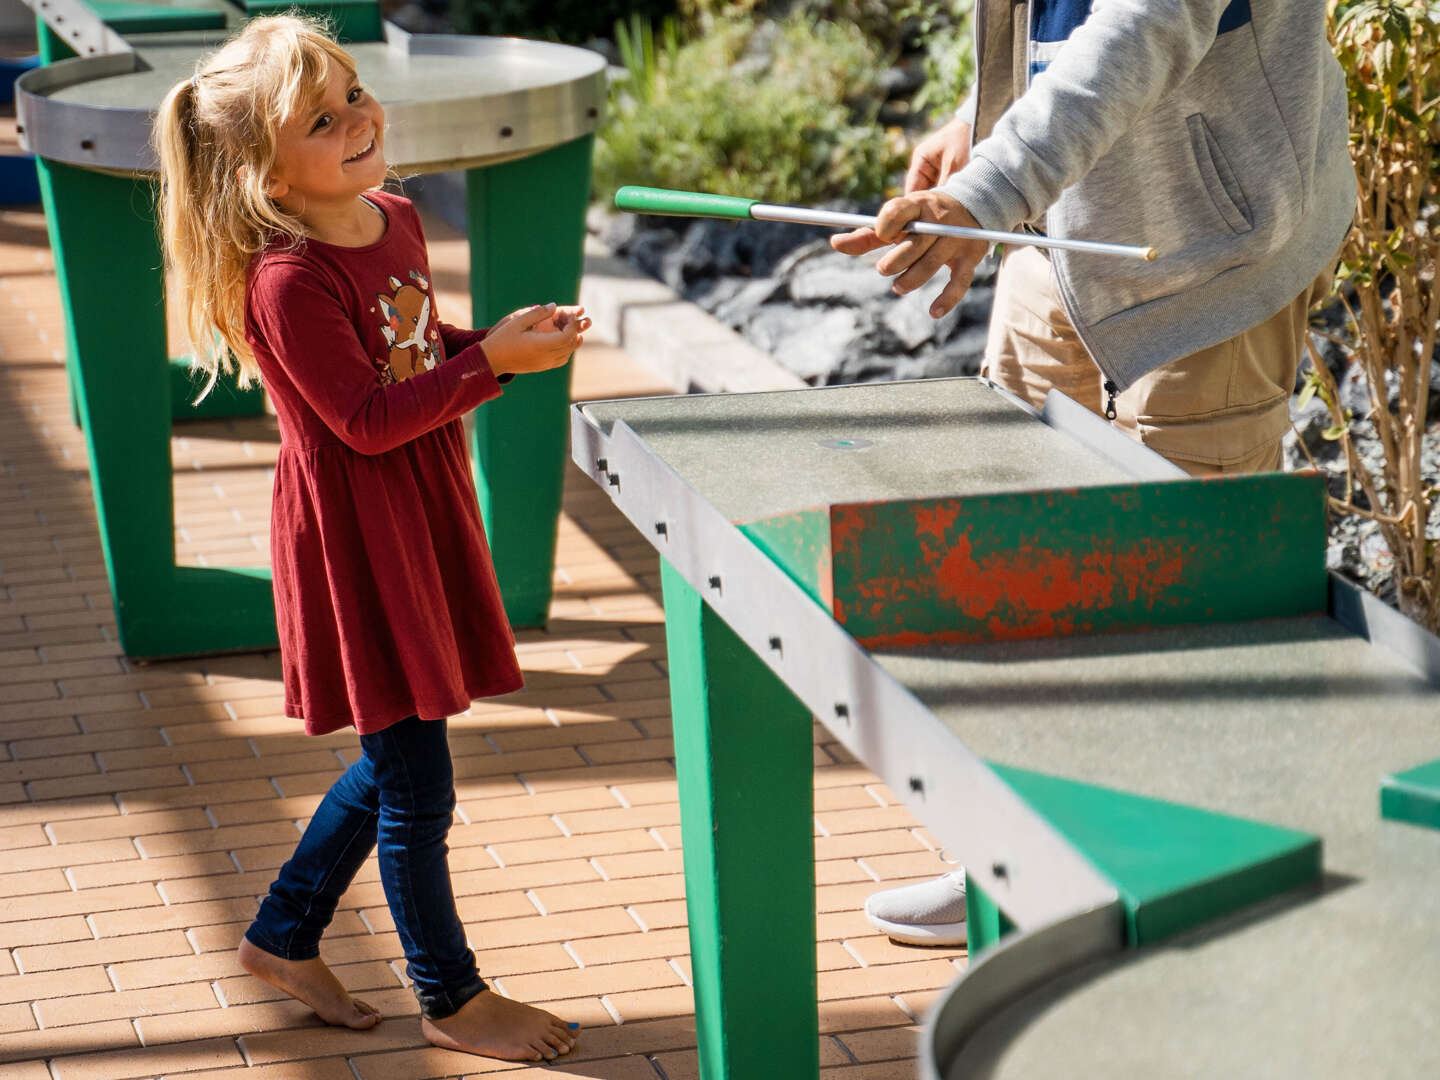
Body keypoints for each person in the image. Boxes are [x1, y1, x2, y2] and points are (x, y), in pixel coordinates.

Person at [840, 0, 1356, 944]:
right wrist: (982, 123)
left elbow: (1148, 19)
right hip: (1057, 232)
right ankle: (1011, 856)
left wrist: (989, 188)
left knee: (1192, 604)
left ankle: (1190, 901)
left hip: (1210, 250)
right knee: (1023, 571)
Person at [154, 16, 587, 1061]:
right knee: (416, 778)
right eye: (322, 117)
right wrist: (499, 369)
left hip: (420, 505)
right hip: (358, 535)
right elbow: (364, 418)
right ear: (264, 173)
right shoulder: (285, 281)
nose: (359, 118)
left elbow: (408, 345)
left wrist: (486, 342)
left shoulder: (390, 217)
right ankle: (450, 995)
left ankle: (283, 934)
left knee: (400, 749)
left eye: (354, 93)